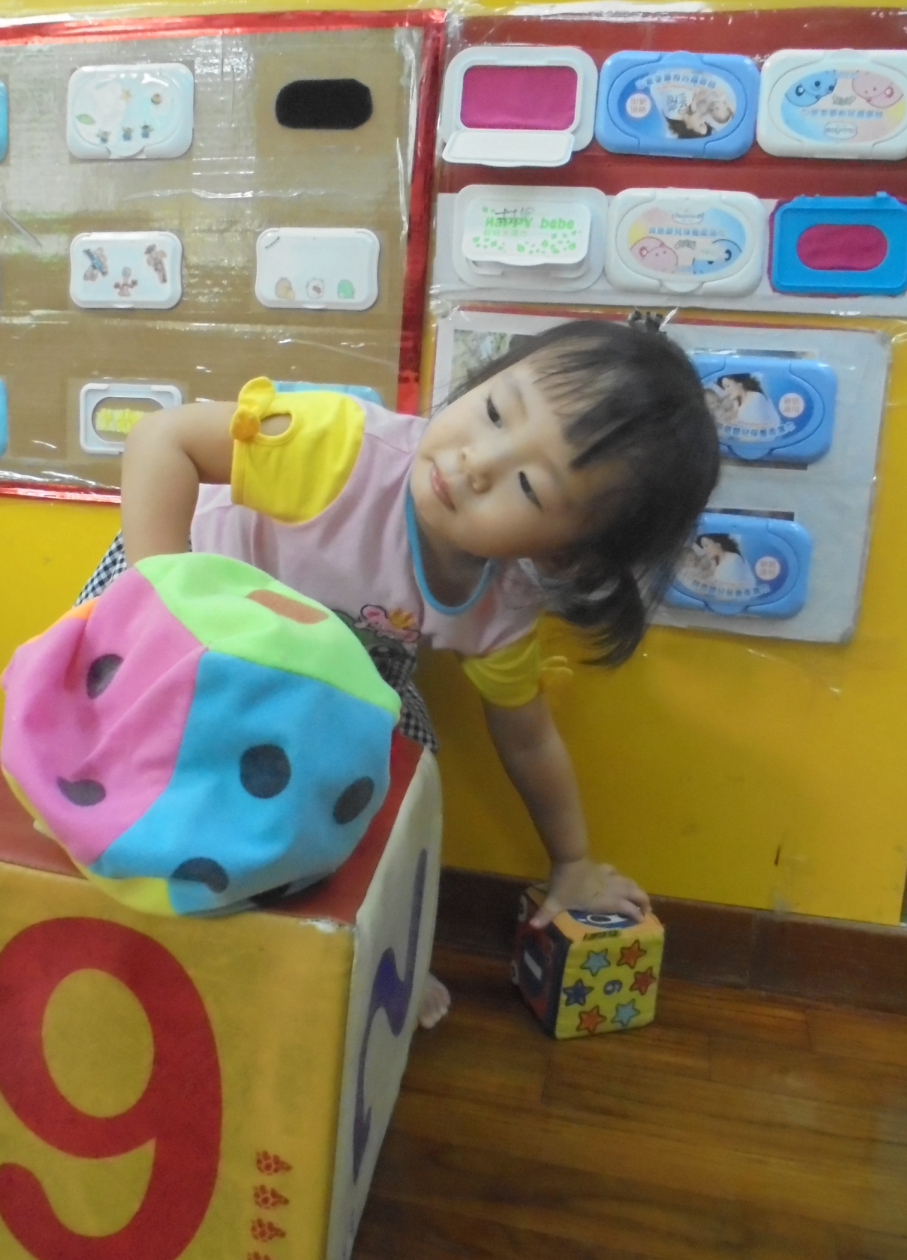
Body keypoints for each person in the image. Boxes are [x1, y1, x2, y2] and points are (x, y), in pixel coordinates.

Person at [76, 319, 721, 1027]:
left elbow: (528, 736)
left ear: (564, 554)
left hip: (318, 661)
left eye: (529, 486)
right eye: (496, 411)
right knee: (135, 729)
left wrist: (573, 862)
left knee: (410, 762)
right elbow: (162, 438)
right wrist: (160, 604)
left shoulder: (501, 604)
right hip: (186, 589)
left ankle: (380, 946)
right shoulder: (342, 447)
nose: (477, 462)